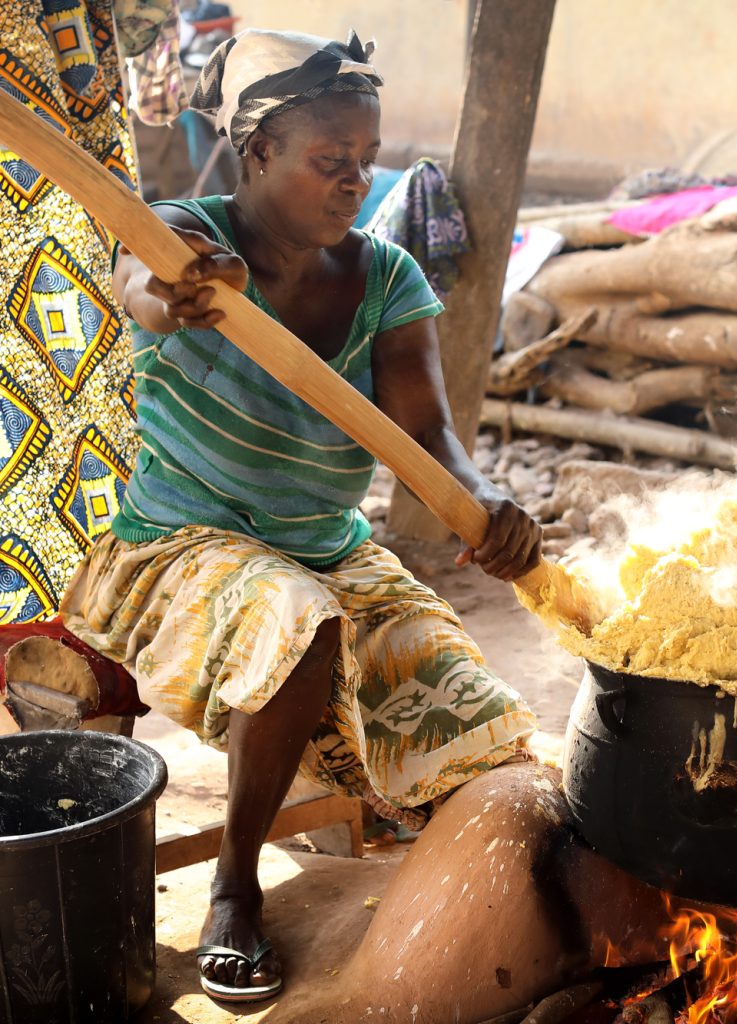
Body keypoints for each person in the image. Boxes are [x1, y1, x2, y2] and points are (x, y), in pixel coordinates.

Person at [59, 27, 541, 1005]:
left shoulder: (388, 277)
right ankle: (236, 882)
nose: (354, 182)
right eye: (330, 161)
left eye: (365, 162)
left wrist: (481, 499)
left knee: (481, 722)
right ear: (260, 151)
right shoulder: (180, 232)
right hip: (177, 548)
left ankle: (405, 857)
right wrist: (178, 290)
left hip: (330, 548)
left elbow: (430, 436)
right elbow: (145, 288)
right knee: (296, 619)